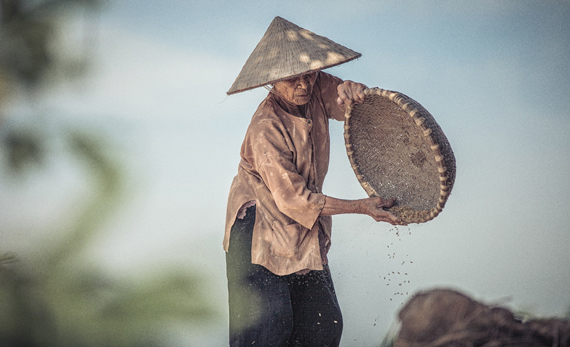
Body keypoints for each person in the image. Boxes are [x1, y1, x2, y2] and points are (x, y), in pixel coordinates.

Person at [224, 17, 405, 346]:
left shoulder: (316, 87)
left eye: (308, 74)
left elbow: (345, 103)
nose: (303, 85)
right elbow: (293, 199)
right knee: (269, 328)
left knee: (323, 326)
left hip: (303, 227)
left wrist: (354, 91)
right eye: (292, 79)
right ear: (271, 81)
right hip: (259, 228)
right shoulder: (265, 127)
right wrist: (361, 207)